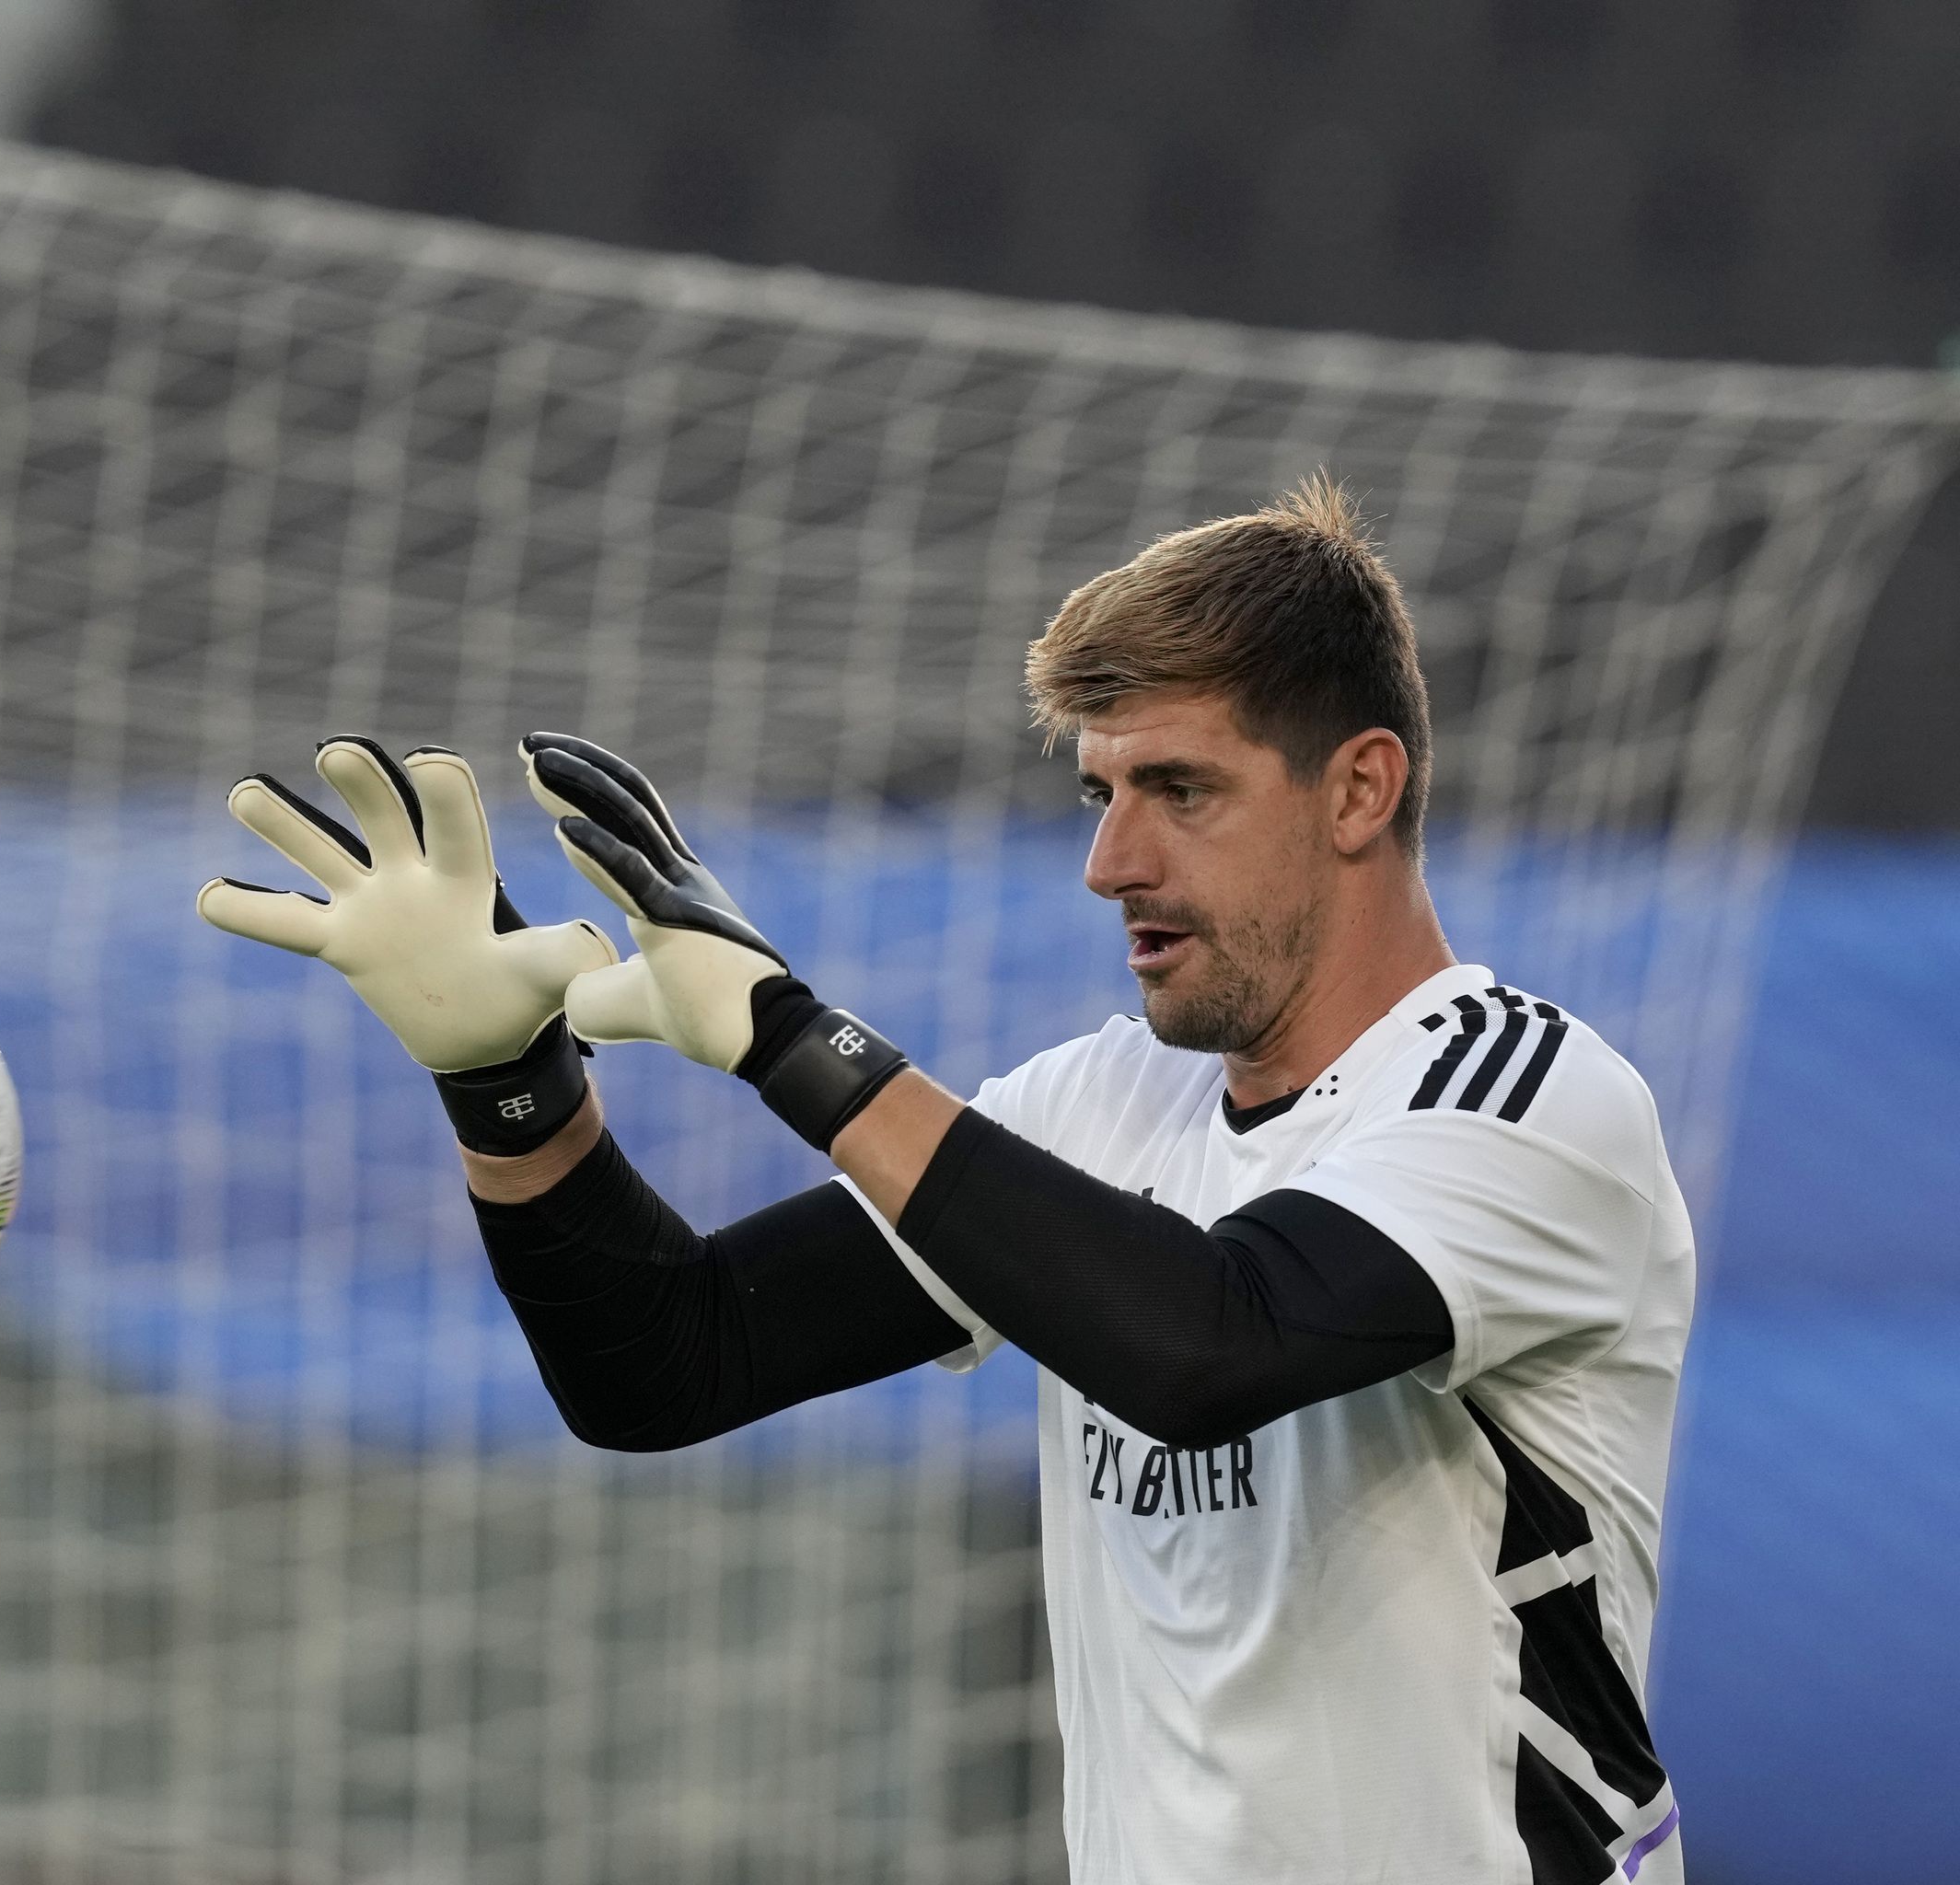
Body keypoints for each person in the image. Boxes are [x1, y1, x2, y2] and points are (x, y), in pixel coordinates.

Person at [197, 476, 1690, 1885]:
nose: (1113, 860)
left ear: (1361, 789)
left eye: (1181, 789)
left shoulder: (1527, 1100)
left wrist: (793, 1040)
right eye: (1102, 791)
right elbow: (669, 1361)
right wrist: (507, 1086)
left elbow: (1211, 1344)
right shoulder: (1099, 1103)